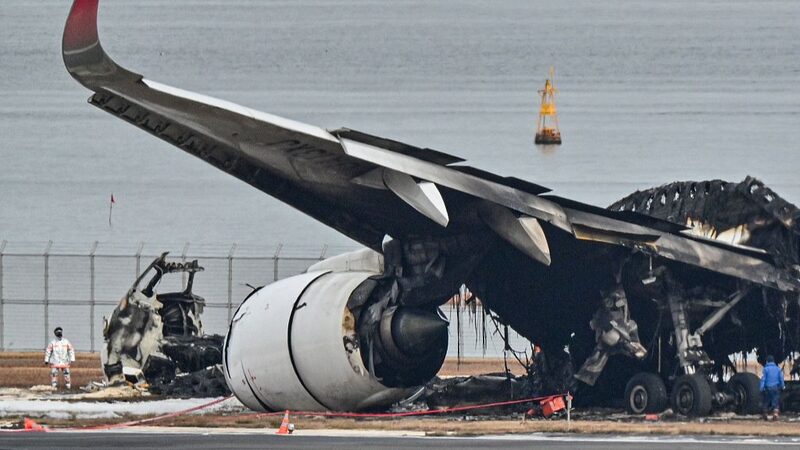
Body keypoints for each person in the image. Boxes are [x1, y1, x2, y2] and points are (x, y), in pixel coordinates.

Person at [760, 355, 785, 420]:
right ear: (773, 361)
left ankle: (765, 414)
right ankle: (775, 414)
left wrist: (761, 387)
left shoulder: (765, 369)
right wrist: (782, 386)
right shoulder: (778, 369)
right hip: (776, 387)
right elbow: (781, 378)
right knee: (775, 401)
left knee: (766, 401)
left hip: (768, 388)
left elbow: (763, 379)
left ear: (767, 361)